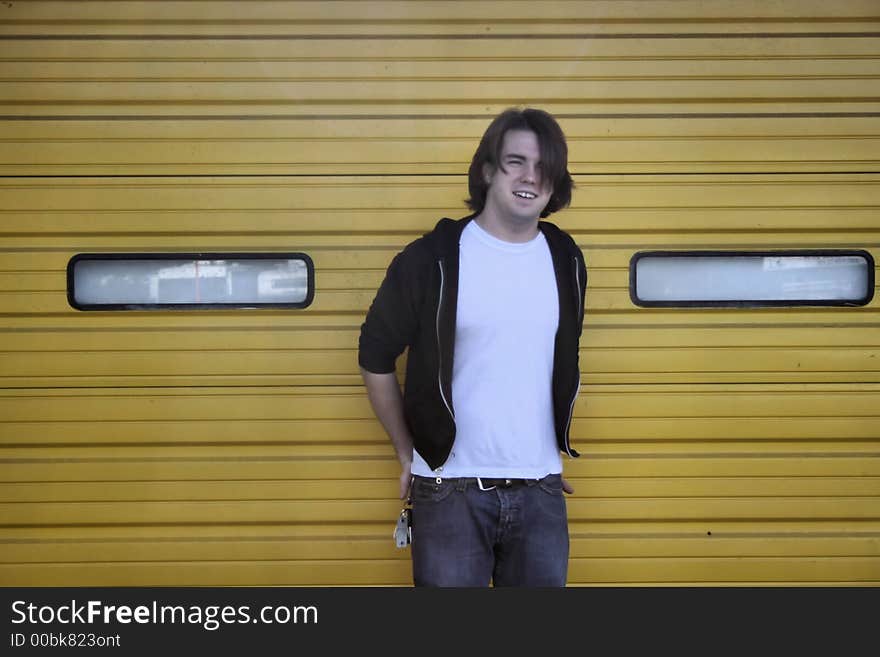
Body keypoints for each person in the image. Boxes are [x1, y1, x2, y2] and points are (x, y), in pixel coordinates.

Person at [358, 107, 586, 587]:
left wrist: (542, 461)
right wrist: (406, 452)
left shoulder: (566, 259)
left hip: (541, 491)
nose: (530, 177)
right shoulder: (432, 258)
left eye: (545, 167)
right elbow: (374, 354)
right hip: (449, 491)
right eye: (516, 162)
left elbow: (551, 363)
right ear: (487, 170)